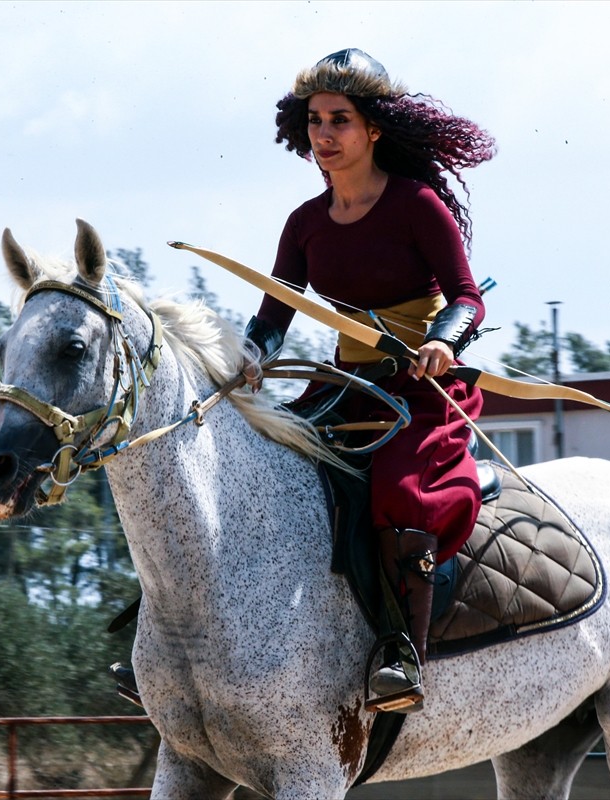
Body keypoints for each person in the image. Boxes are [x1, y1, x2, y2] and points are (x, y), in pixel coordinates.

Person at [243, 48, 495, 714]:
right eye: (315, 121)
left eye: (340, 120)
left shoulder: (415, 205)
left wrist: (442, 341)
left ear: (374, 128)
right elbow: (273, 316)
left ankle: (401, 657)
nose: (324, 135)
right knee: (258, 469)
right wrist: (247, 355)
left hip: (424, 391)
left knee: (399, 490)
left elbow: (468, 298)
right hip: (344, 385)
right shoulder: (304, 223)